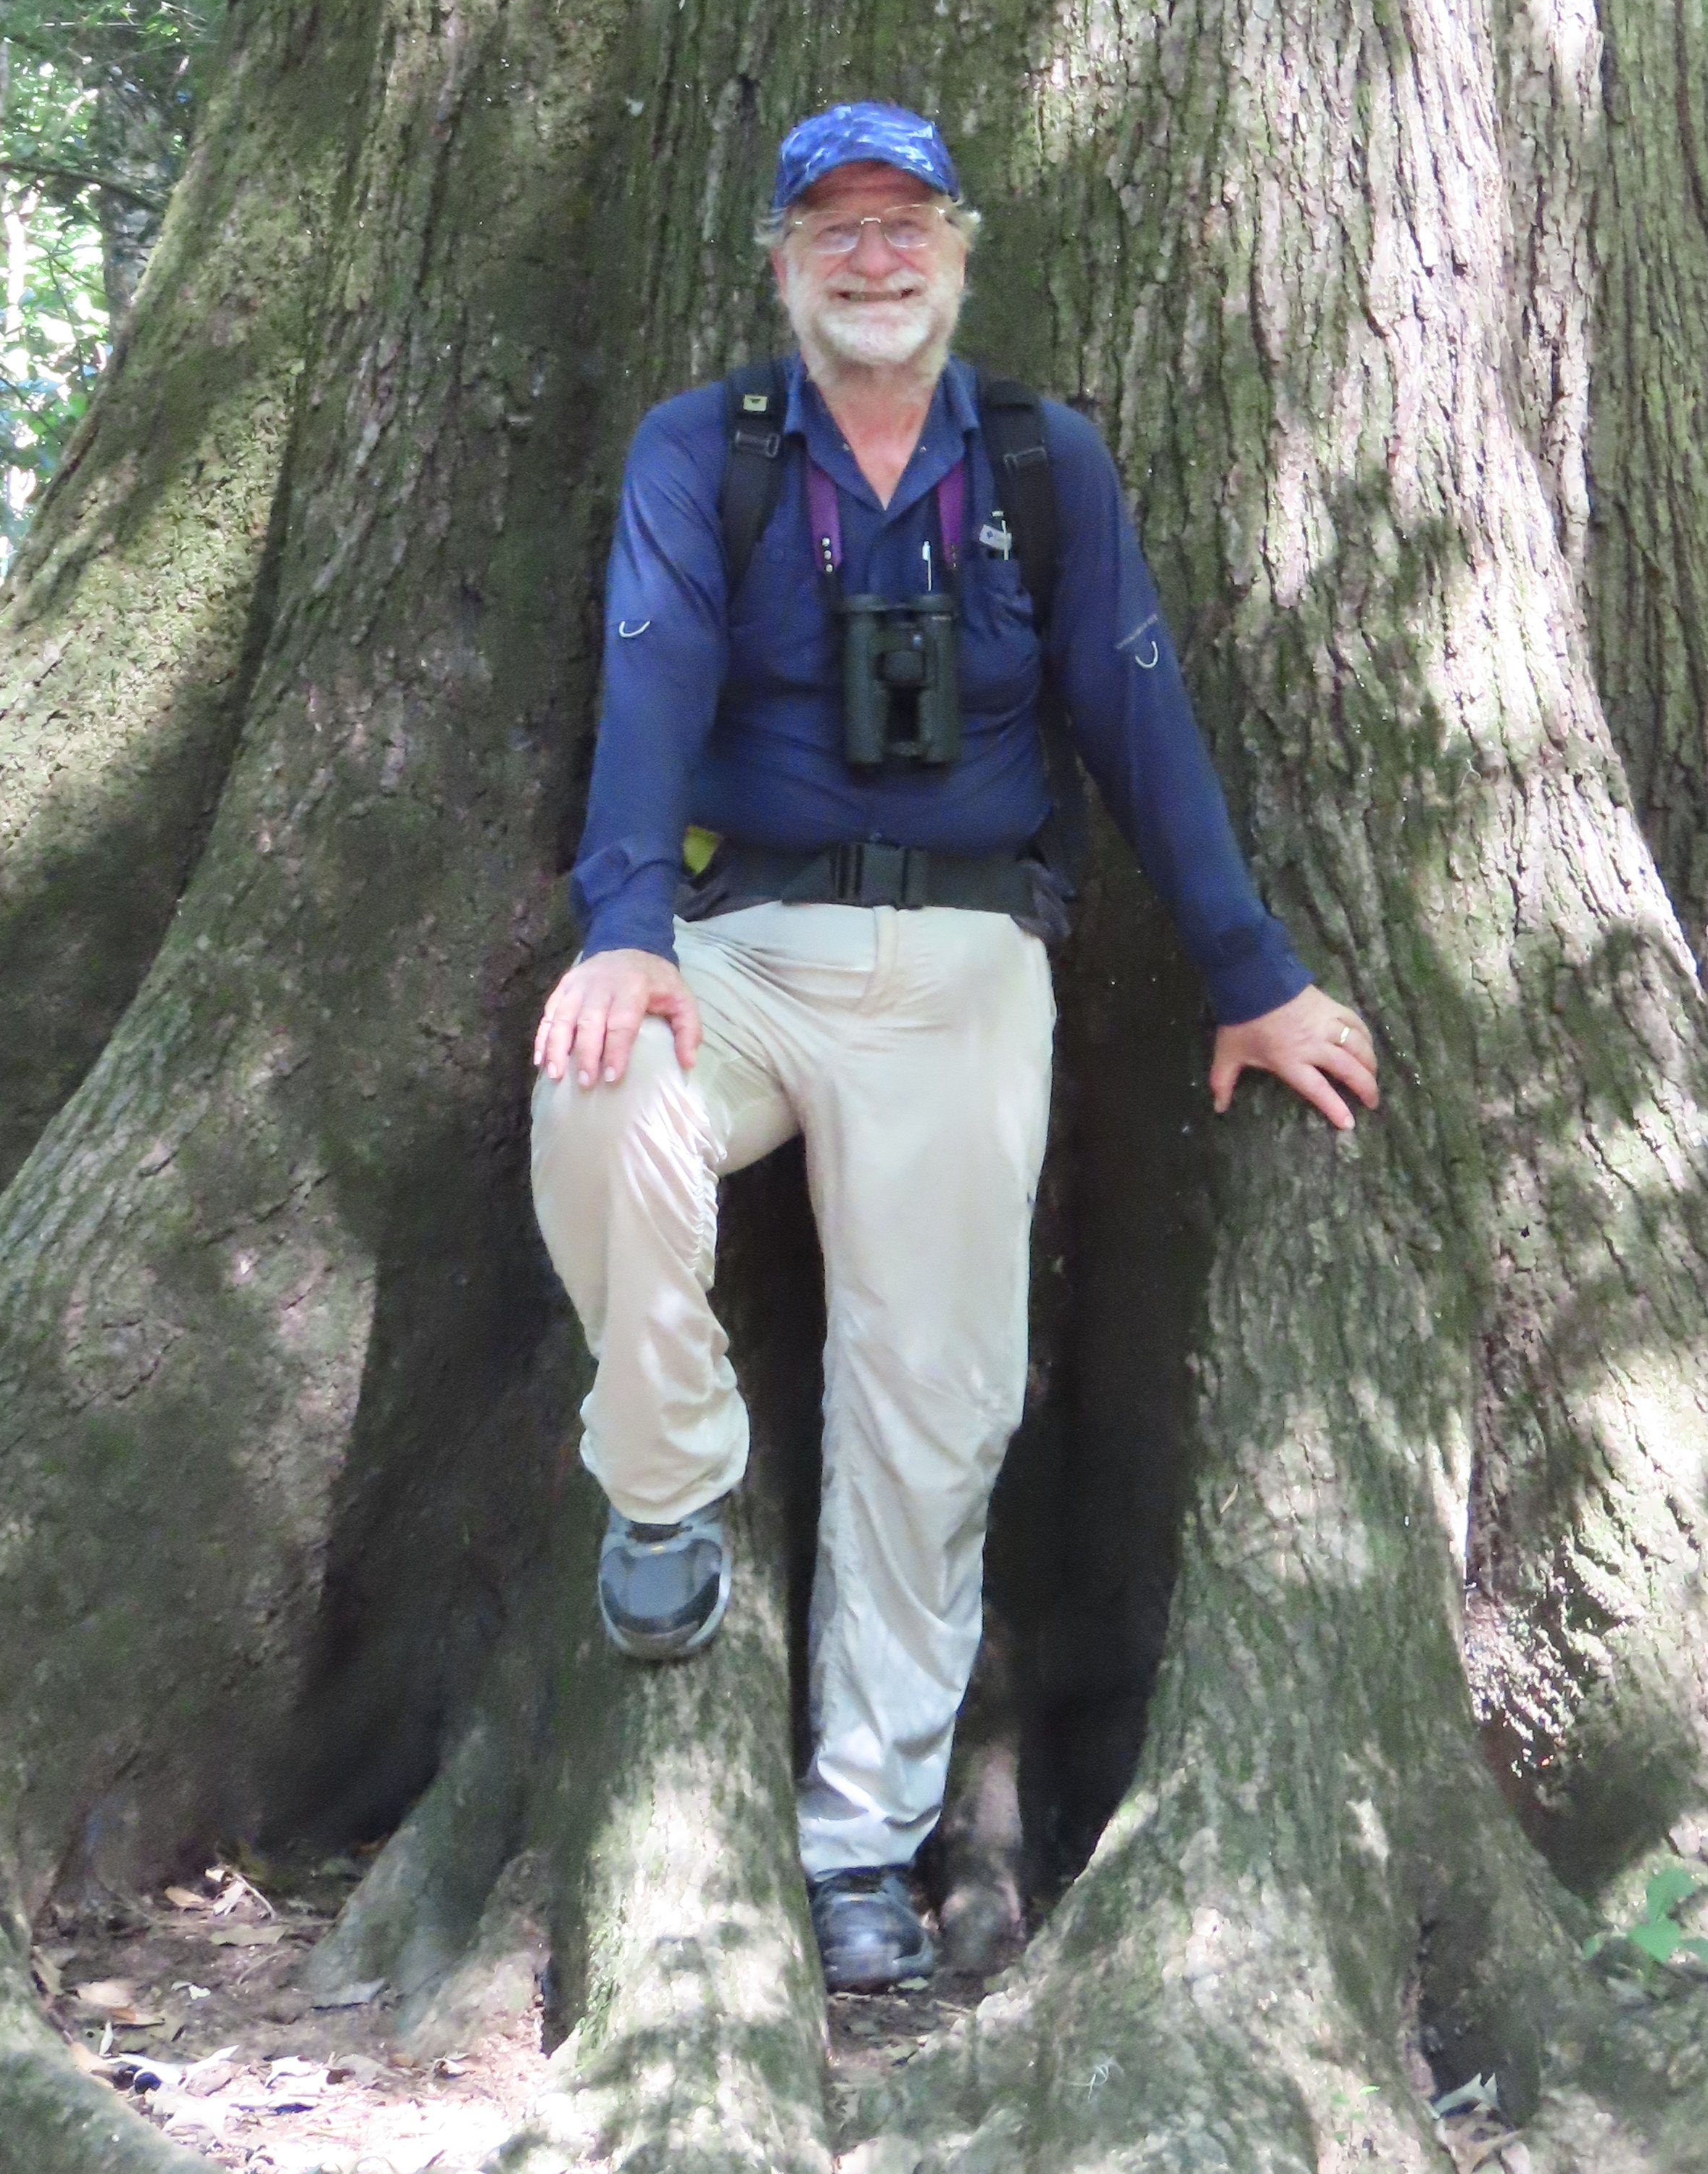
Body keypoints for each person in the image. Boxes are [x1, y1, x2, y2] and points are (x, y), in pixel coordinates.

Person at [529, 100, 1379, 1992]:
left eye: (904, 219)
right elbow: (648, 682)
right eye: (832, 223)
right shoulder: (711, 456)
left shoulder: (1041, 466)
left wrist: (1253, 970)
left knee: (934, 1409)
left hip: (974, 968)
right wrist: (619, 930)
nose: (873, 252)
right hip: (741, 940)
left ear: (955, 245)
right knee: (595, 1097)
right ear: (783, 259)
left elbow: (1139, 714)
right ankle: (663, 1477)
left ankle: (860, 1842)